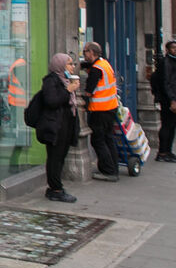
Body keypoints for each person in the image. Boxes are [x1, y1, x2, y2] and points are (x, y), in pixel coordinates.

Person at [36, 52, 79, 202]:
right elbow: (52, 101)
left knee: (61, 156)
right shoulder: (51, 81)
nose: (72, 67)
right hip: (55, 125)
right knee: (55, 157)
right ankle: (55, 189)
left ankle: (56, 186)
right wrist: (68, 90)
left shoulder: (65, 80)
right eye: (69, 63)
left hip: (66, 125)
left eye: (73, 64)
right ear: (60, 65)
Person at [81, 41, 120, 181]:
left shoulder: (96, 69)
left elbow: (88, 92)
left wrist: (84, 103)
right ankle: (113, 168)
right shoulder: (104, 64)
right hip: (110, 107)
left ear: (92, 52)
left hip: (100, 110)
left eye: (85, 51)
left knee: (98, 141)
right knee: (108, 138)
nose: (83, 53)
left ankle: (108, 171)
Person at [153, 40, 176, 162]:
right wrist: (172, 100)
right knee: (167, 125)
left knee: (172, 126)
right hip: (168, 100)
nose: (175, 50)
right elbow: (166, 83)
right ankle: (162, 152)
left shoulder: (173, 61)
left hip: (172, 98)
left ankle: (168, 151)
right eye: (173, 48)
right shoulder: (166, 62)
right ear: (167, 50)